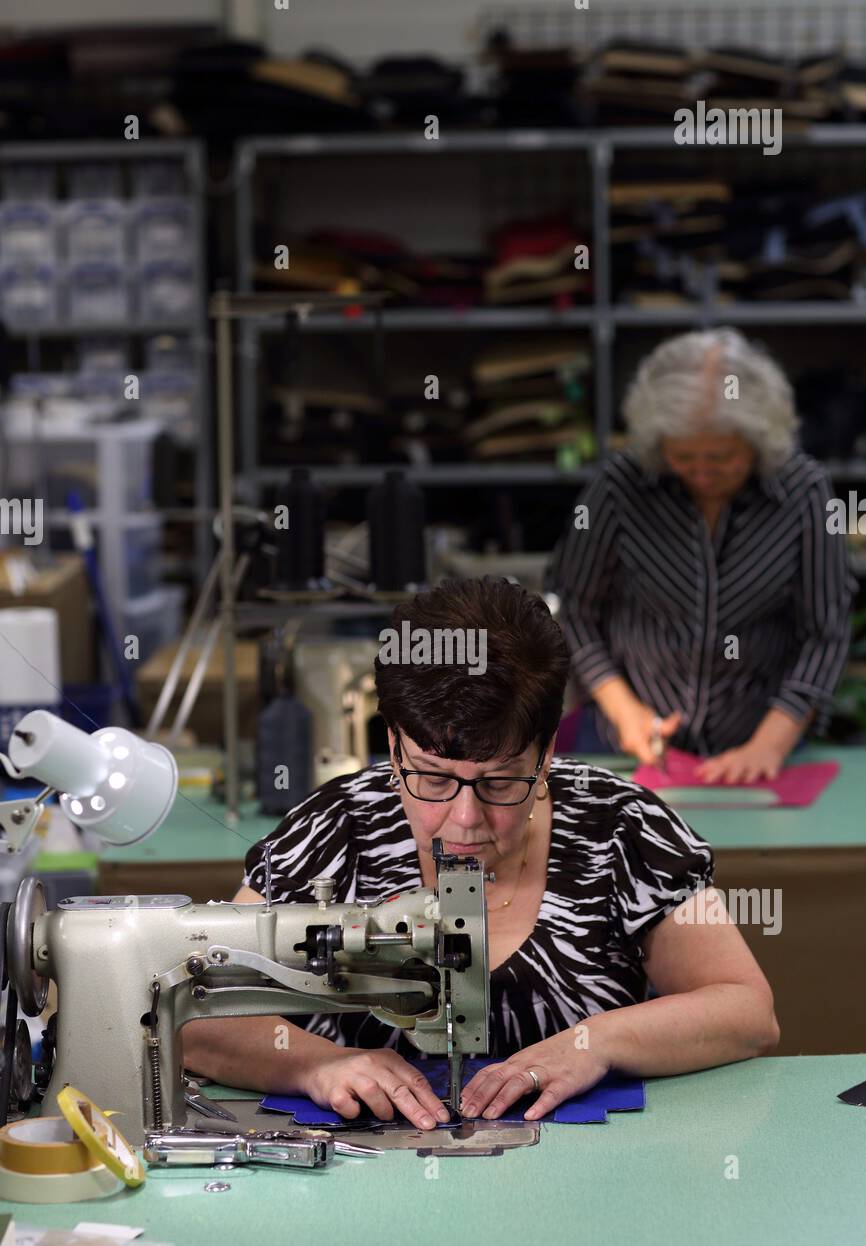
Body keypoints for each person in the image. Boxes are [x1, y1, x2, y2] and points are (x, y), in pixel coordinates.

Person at [183, 577, 779, 1126]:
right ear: (393, 746)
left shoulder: (621, 827)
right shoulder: (334, 830)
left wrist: (593, 1044)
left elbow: (745, 1011)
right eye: (434, 779)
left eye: (500, 782)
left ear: (546, 755)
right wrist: (313, 1065)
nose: (465, 821)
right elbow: (195, 1016)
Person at [547, 328, 856, 782]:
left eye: (723, 456)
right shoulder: (620, 487)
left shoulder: (804, 492)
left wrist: (771, 742)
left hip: (765, 743)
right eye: (685, 457)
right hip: (626, 743)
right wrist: (625, 712)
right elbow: (575, 607)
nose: (704, 473)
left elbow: (825, 631)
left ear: (758, 440)